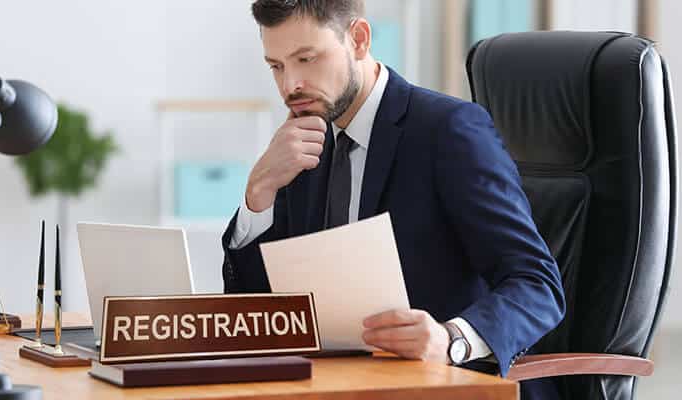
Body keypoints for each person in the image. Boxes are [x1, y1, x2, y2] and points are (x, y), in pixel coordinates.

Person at [221, 1, 565, 398]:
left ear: (359, 40)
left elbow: (538, 285)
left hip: (450, 386)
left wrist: (449, 339)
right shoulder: (302, 144)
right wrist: (258, 195)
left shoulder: (448, 130)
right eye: (276, 66)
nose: (290, 85)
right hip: (344, 384)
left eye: (307, 58)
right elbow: (259, 313)